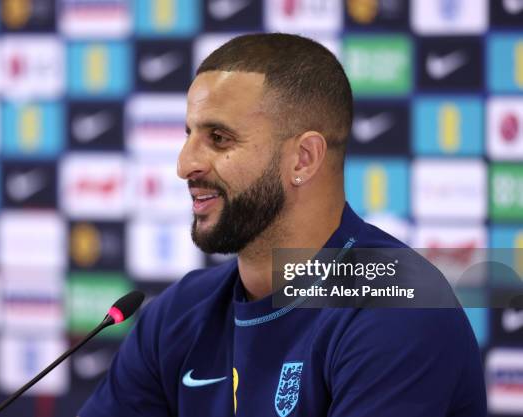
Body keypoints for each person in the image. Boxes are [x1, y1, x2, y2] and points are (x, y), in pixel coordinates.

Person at [78, 33, 486, 417]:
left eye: (219, 138)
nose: (185, 165)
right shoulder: (178, 315)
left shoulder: (399, 313)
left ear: (303, 159)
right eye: (189, 135)